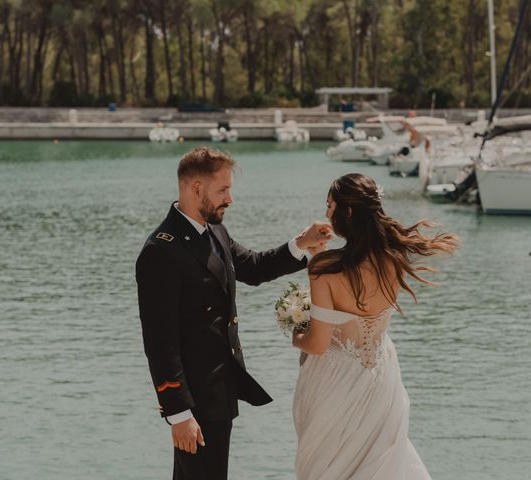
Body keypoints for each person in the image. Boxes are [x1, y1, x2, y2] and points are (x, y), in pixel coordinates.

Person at [136, 146, 331, 480]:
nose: (230, 199)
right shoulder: (161, 251)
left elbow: (253, 267)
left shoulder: (213, 232)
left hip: (218, 392)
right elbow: (160, 341)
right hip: (194, 402)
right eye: (223, 190)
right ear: (196, 188)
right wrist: (178, 412)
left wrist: (302, 242)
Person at [292, 173, 458, 479]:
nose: (327, 214)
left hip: (335, 381)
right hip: (381, 377)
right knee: (381, 463)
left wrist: (296, 334)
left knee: (329, 466)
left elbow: (317, 343)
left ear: (349, 212)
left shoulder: (324, 269)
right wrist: (322, 257)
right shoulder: (393, 257)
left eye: (330, 207)